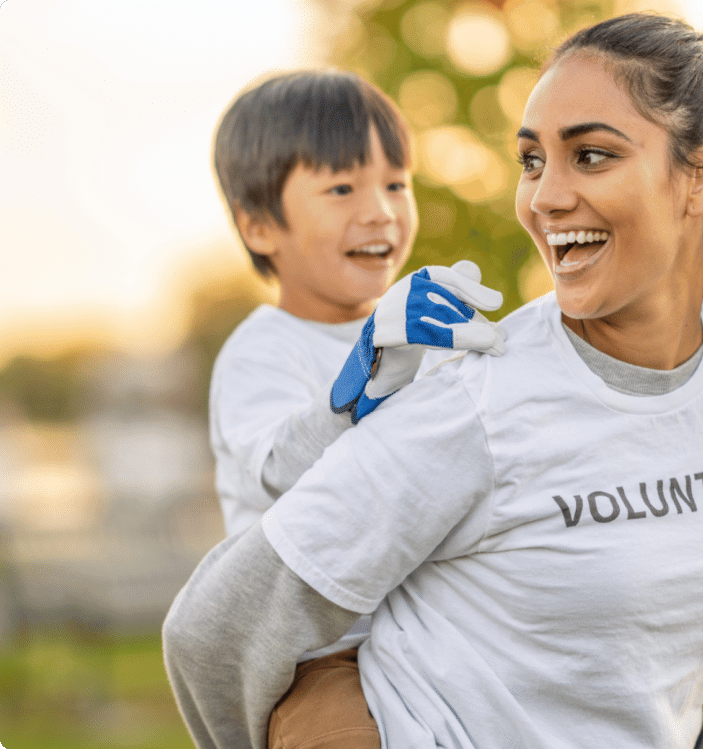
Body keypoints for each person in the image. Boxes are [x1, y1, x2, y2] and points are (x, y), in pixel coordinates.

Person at [163, 13, 703, 749]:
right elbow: (213, 631)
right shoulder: (477, 401)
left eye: (590, 154)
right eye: (532, 160)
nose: (544, 197)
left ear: (702, 177)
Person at [204, 69, 506, 749]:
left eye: (396, 183)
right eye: (341, 188)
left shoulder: (416, 329)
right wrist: (358, 388)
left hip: (434, 622)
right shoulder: (259, 351)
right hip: (323, 647)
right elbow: (279, 466)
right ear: (258, 225)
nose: (381, 211)